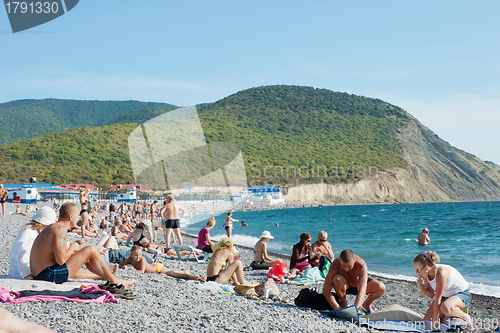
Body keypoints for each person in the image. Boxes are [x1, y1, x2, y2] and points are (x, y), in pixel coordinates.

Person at [30, 202, 135, 289]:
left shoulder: (55, 227)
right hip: (47, 275)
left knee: (87, 254)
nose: (79, 219)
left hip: (41, 274)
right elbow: (61, 260)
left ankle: (111, 278)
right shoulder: (60, 229)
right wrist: (73, 247)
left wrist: (75, 250)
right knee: (90, 249)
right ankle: (114, 280)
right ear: (71, 216)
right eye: (78, 216)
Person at [413, 251, 472, 329]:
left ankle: (465, 316)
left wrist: (434, 324)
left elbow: (437, 299)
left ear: (426, 268)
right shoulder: (426, 275)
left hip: (461, 294)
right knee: (427, 321)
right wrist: (421, 288)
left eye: (418, 270)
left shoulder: (441, 272)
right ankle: (451, 314)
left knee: (445, 308)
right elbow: (431, 295)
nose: (417, 273)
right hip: (446, 296)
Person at [322, 249, 386, 313]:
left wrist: (355, 310)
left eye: (349, 266)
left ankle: (366, 304)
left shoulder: (361, 265)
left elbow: (362, 290)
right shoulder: (335, 265)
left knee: (381, 287)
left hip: (358, 286)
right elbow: (326, 291)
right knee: (337, 278)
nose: (346, 269)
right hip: (343, 286)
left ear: (354, 261)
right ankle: (344, 304)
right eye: (343, 266)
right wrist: (337, 308)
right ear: (340, 261)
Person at [9, 207, 57, 279]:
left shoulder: (35, 231)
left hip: (27, 270)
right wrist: (18, 275)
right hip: (24, 272)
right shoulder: (28, 232)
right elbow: (14, 254)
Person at [119, 245, 204, 281]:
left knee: (174, 275)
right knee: (171, 272)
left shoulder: (142, 259)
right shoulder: (130, 258)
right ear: (131, 254)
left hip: (157, 267)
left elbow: (142, 271)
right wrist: (123, 267)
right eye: (136, 256)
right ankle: (185, 272)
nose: (138, 257)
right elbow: (121, 264)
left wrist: (129, 270)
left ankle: (196, 278)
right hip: (154, 267)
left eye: (139, 255)